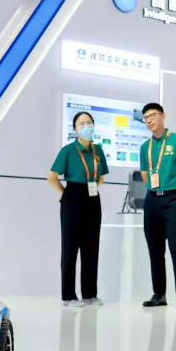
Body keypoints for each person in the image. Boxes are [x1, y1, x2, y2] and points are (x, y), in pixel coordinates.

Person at [138, 103, 176, 312]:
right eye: (146, 118)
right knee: (155, 250)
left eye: (153, 115)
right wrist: (156, 190)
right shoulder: (145, 147)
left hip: (173, 201)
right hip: (152, 201)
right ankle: (159, 294)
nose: (149, 120)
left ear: (163, 116)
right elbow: (145, 175)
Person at [48, 112, 109, 307]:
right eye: (82, 123)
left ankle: (90, 294)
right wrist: (66, 194)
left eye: (89, 123)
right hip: (73, 196)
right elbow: (52, 177)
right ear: (75, 128)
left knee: (91, 247)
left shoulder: (98, 151)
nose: (86, 126)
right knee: (70, 247)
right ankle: (68, 296)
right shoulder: (68, 150)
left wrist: (92, 188)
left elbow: (101, 176)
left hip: (92, 197)